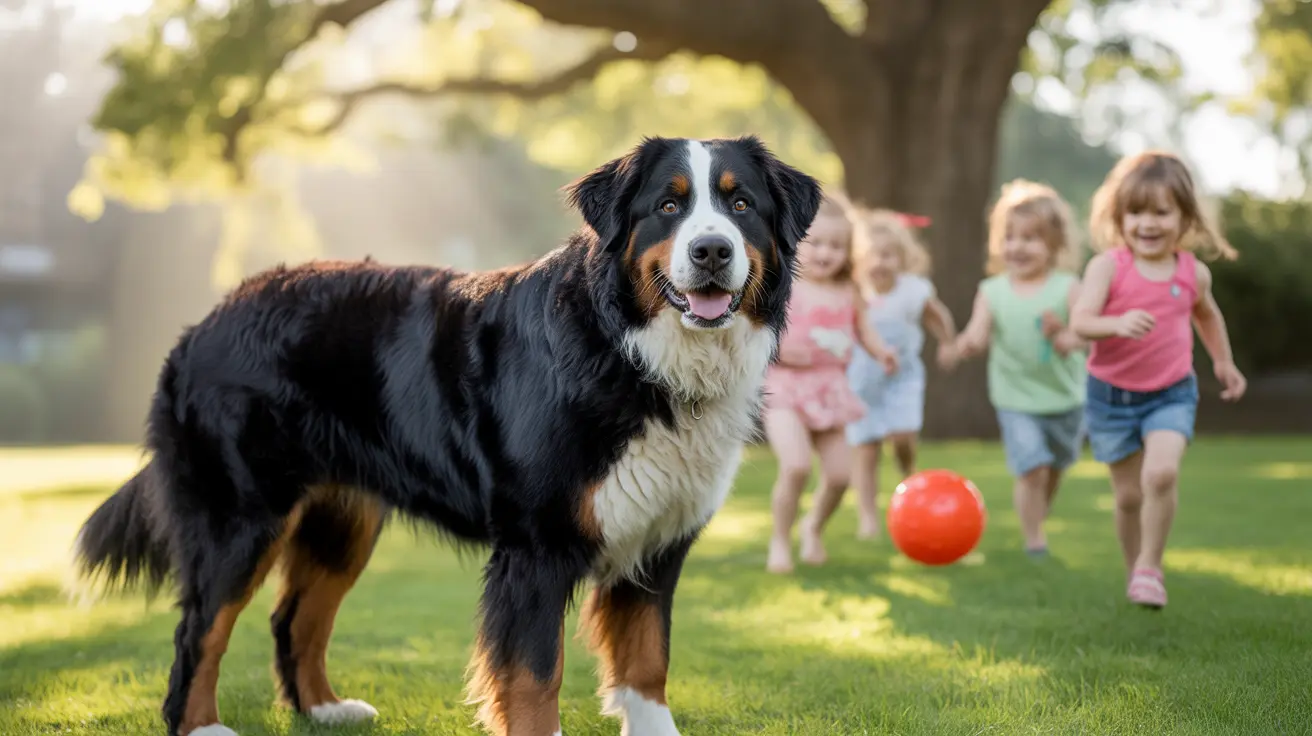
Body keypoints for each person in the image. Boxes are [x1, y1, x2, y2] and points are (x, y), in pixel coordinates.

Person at [1071, 151, 1245, 609]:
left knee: (1162, 473)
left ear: (1184, 217)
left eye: (1161, 212)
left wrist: (1223, 362)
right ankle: (1136, 573)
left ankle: (1151, 564)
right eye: (1136, 212)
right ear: (1119, 217)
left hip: (1171, 392)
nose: (1147, 223)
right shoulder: (1108, 267)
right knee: (1128, 497)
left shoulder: (1193, 274)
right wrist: (1116, 323)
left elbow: (1208, 317)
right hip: (1110, 398)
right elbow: (1081, 322)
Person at [942, 179, 1087, 558]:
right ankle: (1034, 541)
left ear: (1054, 244)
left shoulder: (1068, 287)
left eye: (1031, 238)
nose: (1017, 247)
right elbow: (978, 332)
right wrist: (964, 346)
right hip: (1015, 398)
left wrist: (1067, 335)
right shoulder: (992, 291)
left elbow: (1088, 337)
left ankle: (1037, 511)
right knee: (1032, 468)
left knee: (1054, 467)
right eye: (1010, 237)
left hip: (1065, 398)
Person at [764, 191, 899, 574]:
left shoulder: (849, 291)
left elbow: (865, 330)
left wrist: (882, 352)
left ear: (850, 251)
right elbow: (755, 335)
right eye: (816, 243)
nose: (825, 253)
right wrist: (781, 351)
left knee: (841, 475)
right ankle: (779, 540)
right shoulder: (782, 284)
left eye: (836, 246)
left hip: (831, 390)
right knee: (795, 466)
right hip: (786, 389)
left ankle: (813, 527)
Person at [843, 209, 956, 540]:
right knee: (866, 449)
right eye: (872, 256)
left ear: (903, 258)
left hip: (902, 379)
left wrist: (948, 342)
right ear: (859, 260)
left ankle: (908, 473)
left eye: (888, 255)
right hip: (862, 382)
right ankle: (867, 516)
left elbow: (937, 316)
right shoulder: (855, 291)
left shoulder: (913, 290)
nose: (880, 263)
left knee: (904, 434)